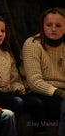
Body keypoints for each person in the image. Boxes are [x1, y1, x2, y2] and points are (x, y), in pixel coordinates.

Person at [20, 7, 65, 135]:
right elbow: (34, 82)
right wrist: (58, 93)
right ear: (42, 26)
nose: (53, 29)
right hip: (40, 93)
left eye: (58, 25)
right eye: (49, 25)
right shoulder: (33, 44)